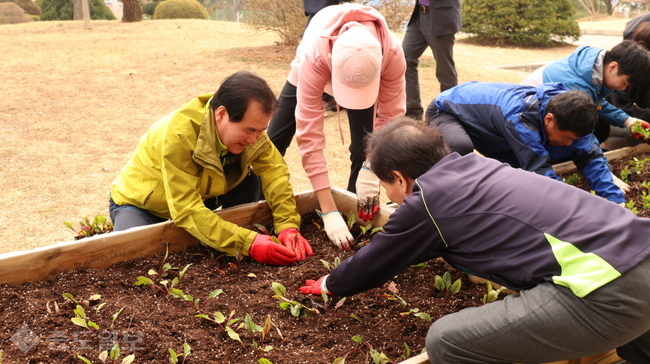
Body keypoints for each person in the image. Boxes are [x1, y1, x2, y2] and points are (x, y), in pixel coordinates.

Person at [299, 118, 650, 364]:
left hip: (607, 293)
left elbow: (376, 261)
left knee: (446, 341)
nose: (390, 196)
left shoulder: (429, 202)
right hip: (641, 256)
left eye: (386, 187)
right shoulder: (483, 168)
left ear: (398, 178)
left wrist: (330, 284)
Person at [109, 71, 313, 266]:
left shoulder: (252, 131)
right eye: (249, 130)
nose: (254, 139)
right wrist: (248, 243)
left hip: (203, 197)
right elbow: (187, 210)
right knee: (137, 256)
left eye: (261, 131)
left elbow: (275, 173)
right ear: (221, 114)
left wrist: (288, 226)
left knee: (251, 182)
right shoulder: (178, 135)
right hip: (143, 205)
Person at [266, 3, 406, 250]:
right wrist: (328, 210)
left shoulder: (392, 53)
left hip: (366, 70)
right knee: (274, 139)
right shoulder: (315, 56)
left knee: (363, 146)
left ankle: (355, 214)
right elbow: (309, 135)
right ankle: (259, 206)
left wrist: (372, 166)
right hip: (315, 63)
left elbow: (390, 119)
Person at [426, 81, 626, 205]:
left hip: (492, 125)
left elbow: (589, 156)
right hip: (448, 111)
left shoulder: (574, 114)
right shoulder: (521, 118)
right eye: (567, 137)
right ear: (549, 119)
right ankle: (440, 196)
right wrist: (581, 206)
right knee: (460, 149)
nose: (568, 143)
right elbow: (540, 172)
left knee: (523, 172)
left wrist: (615, 202)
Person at [521, 40, 650, 145]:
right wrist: (599, 161)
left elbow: (598, 103)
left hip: (552, 116)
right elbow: (583, 136)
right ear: (613, 67)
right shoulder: (576, 87)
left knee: (601, 129)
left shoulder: (593, 68)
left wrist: (628, 121)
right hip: (530, 119)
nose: (623, 89)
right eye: (624, 83)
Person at [402, 0, 461, 120]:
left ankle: (449, 113)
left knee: (445, 69)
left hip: (441, 18)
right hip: (419, 15)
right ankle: (413, 110)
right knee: (404, 59)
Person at [606, 21, 650, 150]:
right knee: (636, 134)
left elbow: (645, 99)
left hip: (614, 114)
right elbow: (621, 107)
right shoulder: (629, 69)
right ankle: (601, 148)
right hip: (606, 117)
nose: (624, 87)